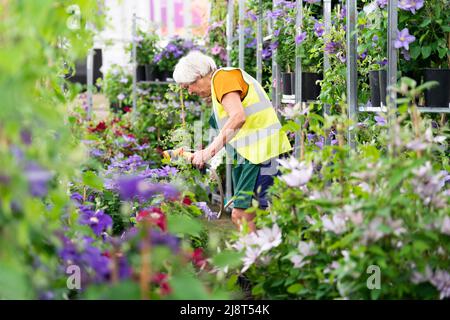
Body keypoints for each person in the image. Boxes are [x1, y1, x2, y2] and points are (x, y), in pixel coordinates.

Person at [173, 51, 292, 232]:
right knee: (252, 215)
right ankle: (260, 256)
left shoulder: (222, 78)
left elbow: (238, 117)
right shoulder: (222, 83)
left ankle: (257, 257)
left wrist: (208, 152)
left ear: (198, 76)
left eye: (188, 86)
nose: (189, 92)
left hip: (261, 155)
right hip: (254, 156)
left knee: (243, 215)